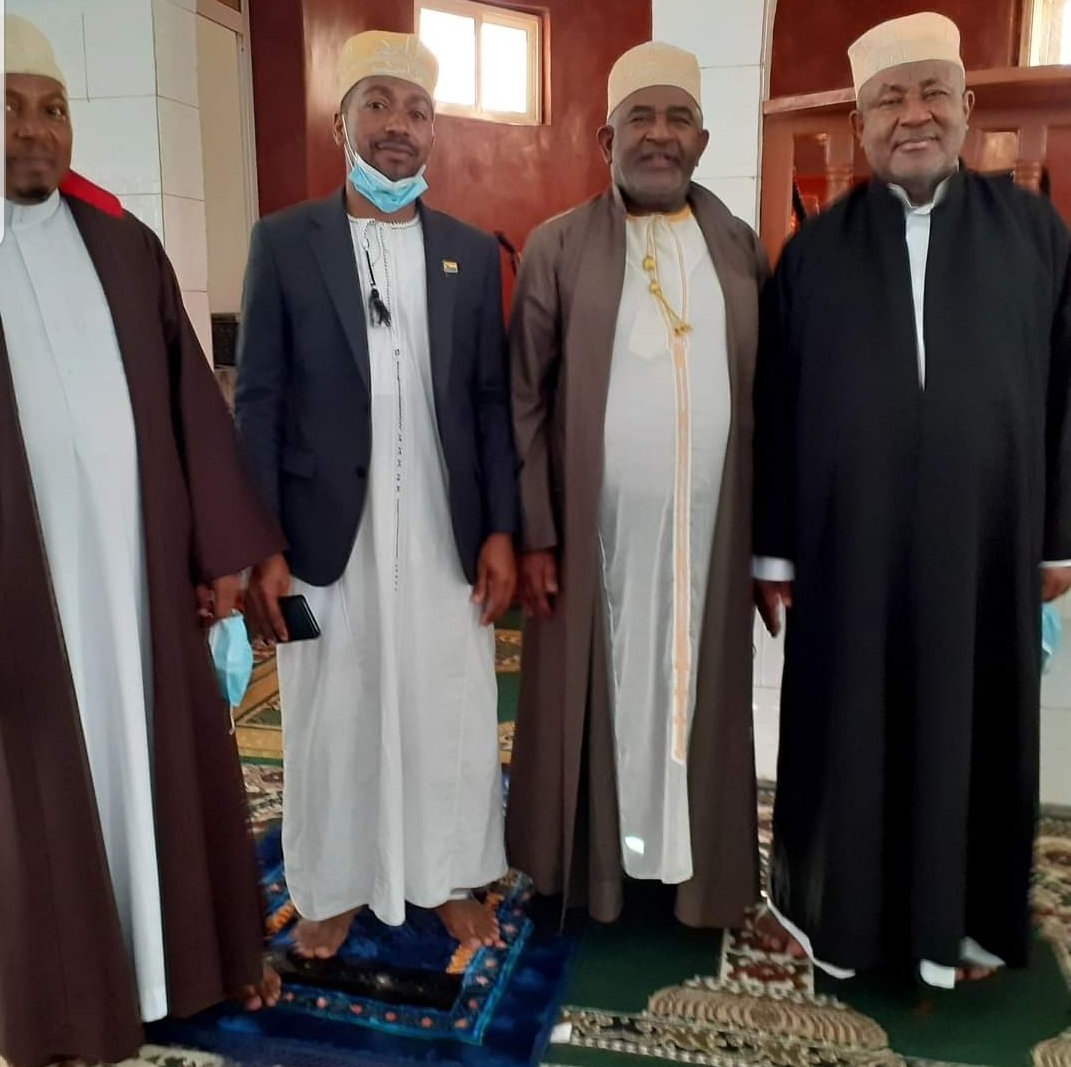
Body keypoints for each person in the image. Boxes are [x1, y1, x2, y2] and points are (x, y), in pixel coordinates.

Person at [753, 11, 1071, 987]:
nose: (914, 114)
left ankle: (961, 927)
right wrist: (774, 551)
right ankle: (837, 917)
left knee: (973, 723)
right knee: (848, 725)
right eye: (889, 99)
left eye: (933, 91)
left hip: (987, 540)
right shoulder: (812, 253)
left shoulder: (1035, 234)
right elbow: (778, 407)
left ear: (966, 107)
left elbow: (1066, 390)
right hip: (848, 545)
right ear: (860, 124)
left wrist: (1057, 538)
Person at [0, 16, 285, 1067]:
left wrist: (219, 552)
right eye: (9, 107)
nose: (35, 129)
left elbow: (191, 413)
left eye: (52, 107)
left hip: (137, 576)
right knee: (40, 792)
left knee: (163, 755)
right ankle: (63, 1005)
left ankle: (191, 963)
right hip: (24, 596)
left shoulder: (124, 245)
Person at [236, 30, 517, 959]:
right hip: (325, 530)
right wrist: (261, 540)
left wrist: (500, 530)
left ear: (434, 129)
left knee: (449, 699)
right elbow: (259, 397)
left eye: (417, 109)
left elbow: (489, 401)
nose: (399, 124)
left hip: (442, 524)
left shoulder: (468, 252)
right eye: (379, 104)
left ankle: (448, 876)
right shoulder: (284, 241)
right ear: (342, 122)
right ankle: (331, 883)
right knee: (332, 705)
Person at [506, 41, 766, 928]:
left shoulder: (736, 246)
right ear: (605, 138)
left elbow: (766, 395)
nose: (660, 135)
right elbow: (523, 399)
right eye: (640, 118)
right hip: (596, 537)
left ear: (702, 140)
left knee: (698, 695)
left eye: (678, 118)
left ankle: (690, 875)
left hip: (710, 534)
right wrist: (537, 531)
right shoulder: (557, 246)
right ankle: (598, 872)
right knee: (601, 694)